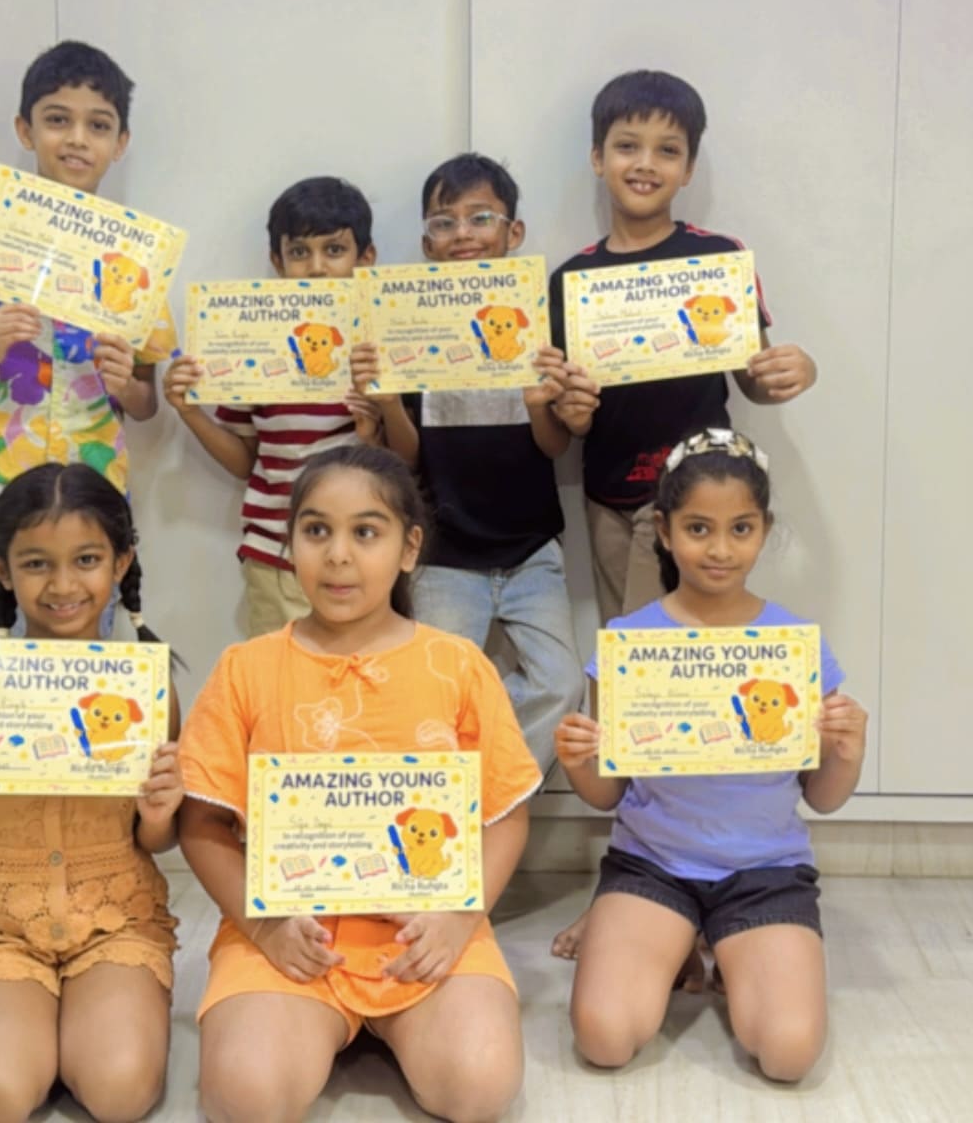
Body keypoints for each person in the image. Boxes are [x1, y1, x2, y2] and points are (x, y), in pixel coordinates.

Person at [176, 445, 537, 1123]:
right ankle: (311, 1022)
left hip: (425, 932)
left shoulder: (459, 665)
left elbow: (506, 812)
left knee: (480, 1086)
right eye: (316, 530)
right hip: (288, 932)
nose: (338, 555)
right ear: (290, 543)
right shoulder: (245, 668)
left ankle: (397, 1023)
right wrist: (264, 927)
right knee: (247, 1097)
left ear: (409, 548)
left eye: (366, 532)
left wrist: (459, 921)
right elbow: (202, 824)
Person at [554, 429, 865, 1083]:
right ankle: (678, 944)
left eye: (740, 529)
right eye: (698, 528)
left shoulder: (793, 644)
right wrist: (582, 759)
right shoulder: (629, 643)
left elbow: (824, 796)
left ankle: (724, 948)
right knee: (605, 1037)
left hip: (765, 871)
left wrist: (846, 749)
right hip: (652, 867)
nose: (720, 549)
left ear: (764, 531)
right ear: (665, 531)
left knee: (787, 1052)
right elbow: (609, 796)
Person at [0, 462, 184, 1123]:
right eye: (37, 563)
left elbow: (154, 839)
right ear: (1, 569)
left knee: (119, 1090)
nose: (64, 585)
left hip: (115, 920)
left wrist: (162, 814)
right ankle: (20, 1024)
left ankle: (79, 1026)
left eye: (86, 560)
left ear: (121, 562)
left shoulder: (147, 688)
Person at [546, 70, 819, 626]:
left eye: (667, 150)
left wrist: (794, 371)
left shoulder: (719, 260)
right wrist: (569, 413)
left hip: (695, 495)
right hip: (606, 494)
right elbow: (567, 417)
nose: (645, 164)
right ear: (598, 158)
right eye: (627, 146)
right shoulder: (571, 279)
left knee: (650, 645)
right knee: (623, 636)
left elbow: (753, 378)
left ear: (688, 168)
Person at [0, 42, 173, 637]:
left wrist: (124, 383)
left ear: (121, 142)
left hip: (93, 495)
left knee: (86, 671)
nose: (77, 139)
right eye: (58, 119)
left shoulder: (137, 254)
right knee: (1, 666)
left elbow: (146, 402)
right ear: (25, 129)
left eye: (98, 125)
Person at [357, 153, 585, 772]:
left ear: (514, 232)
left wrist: (540, 405)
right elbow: (406, 458)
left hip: (531, 549)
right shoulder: (407, 324)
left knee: (563, 684)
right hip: (443, 552)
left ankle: (487, 790)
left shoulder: (541, 323)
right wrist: (387, 403)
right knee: (433, 692)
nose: (463, 233)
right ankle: (456, 795)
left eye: (481, 218)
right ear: (427, 242)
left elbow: (556, 447)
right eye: (444, 222)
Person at [164, 177, 382, 636]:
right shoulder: (254, 345)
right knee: (279, 675)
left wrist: (375, 427)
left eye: (334, 250)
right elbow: (245, 460)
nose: (317, 268)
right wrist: (190, 411)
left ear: (365, 258)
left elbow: (402, 460)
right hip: (276, 553)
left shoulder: (377, 345)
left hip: (360, 554)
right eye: (300, 252)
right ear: (277, 261)